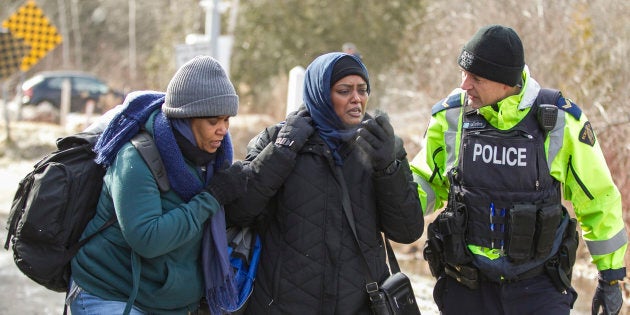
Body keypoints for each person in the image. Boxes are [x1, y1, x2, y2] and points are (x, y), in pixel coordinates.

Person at [412, 24, 627, 315]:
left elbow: (597, 199)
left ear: (506, 83)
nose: (464, 85)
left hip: (538, 289)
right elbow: (426, 181)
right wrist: (393, 195)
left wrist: (611, 276)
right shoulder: (451, 116)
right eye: (463, 73)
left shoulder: (558, 121)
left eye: (475, 77)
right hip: (467, 286)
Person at [225, 52, 424, 314]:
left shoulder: (380, 144)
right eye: (344, 90)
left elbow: (407, 231)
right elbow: (241, 210)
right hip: (284, 306)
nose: (357, 99)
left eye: (363, 90)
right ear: (320, 93)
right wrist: (283, 151)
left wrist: (388, 167)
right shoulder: (278, 138)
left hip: (359, 305)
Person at [68, 56, 250, 315]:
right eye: (213, 121)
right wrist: (211, 197)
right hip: (110, 293)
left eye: (227, 120)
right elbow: (148, 238)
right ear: (187, 118)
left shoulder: (213, 161)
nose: (222, 130)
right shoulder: (136, 157)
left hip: (168, 303)